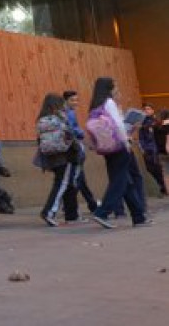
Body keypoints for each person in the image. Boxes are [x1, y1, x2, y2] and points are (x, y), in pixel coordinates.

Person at [89, 76, 151, 229]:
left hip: (107, 148)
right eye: (115, 85)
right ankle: (102, 212)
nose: (117, 88)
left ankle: (138, 217)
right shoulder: (109, 103)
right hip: (119, 146)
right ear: (109, 88)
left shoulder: (95, 105)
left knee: (126, 181)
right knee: (120, 181)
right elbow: (118, 125)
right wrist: (126, 142)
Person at [35, 93, 79, 227]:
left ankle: (71, 215)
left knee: (63, 183)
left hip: (50, 156)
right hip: (64, 154)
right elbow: (70, 133)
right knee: (62, 184)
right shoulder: (59, 118)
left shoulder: (41, 120)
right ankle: (49, 212)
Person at [62, 90, 99, 213]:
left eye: (76, 100)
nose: (75, 102)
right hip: (74, 149)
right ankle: (73, 206)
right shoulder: (69, 113)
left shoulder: (63, 112)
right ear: (65, 101)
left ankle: (91, 204)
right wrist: (82, 133)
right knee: (76, 179)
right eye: (72, 100)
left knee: (79, 179)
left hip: (69, 150)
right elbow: (73, 129)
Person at [138, 104, 167, 196]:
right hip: (149, 150)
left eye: (148, 109)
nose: (146, 111)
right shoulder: (142, 123)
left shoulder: (157, 121)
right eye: (145, 109)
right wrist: (142, 148)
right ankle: (162, 185)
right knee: (150, 168)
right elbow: (141, 137)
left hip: (157, 149)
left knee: (161, 168)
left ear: (152, 110)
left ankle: (164, 186)